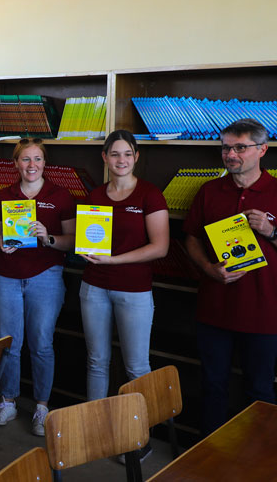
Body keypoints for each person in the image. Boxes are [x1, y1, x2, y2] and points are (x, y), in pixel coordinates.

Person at [183, 119, 277, 436]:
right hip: (213, 310)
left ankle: (258, 465)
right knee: (212, 387)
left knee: (260, 392)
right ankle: (209, 462)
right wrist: (208, 268)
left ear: (262, 150)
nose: (230, 154)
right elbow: (190, 237)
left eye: (239, 147)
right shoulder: (208, 191)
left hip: (263, 313)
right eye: (226, 147)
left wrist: (272, 232)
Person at [0, 138, 75, 436]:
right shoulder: (4, 196)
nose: (32, 165)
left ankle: (40, 406)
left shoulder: (60, 196)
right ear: (16, 164)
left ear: (44, 163)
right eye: (25, 159)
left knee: (41, 343)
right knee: (8, 341)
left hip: (46, 275)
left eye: (37, 159)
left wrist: (47, 237)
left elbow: (72, 241)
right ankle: (8, 400)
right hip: (8, 275)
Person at [79, 130, 169, 406]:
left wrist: (114, 260)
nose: (122, 160)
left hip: (134, 291)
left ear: (136, 157)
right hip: (94, 287)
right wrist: (85, 251)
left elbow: (160, 247)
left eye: (128, 154)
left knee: (137, 367)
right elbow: (87, 239)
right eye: (115, 154)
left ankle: (138, 440)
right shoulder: (94, 195)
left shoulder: (149, 194)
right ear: (105, 157)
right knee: (96, 361)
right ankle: (95, 430)